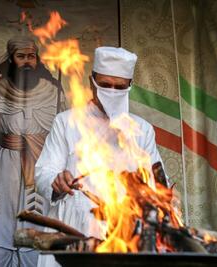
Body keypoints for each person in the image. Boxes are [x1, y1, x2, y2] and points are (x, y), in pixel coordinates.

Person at [34, 46, 168, 266]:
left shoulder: (141, 130)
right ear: (91, 81)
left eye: (119, 87)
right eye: (105, 85)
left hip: (124, 234)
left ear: (129, 86)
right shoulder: (66, 122)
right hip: (74, 229)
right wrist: (56, 181)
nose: (112, 92)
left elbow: (158, 187)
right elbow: (42, 173)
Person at [0, 36, 64, 267]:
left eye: (31, 56)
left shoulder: (53, 91)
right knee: (0, 220)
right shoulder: (0, 88)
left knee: (38, 222)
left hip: (41, 163)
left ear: (37, 59)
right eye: (20, 56)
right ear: (12, 59)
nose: (26, 61)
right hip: (6, 166)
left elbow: (63, 133)